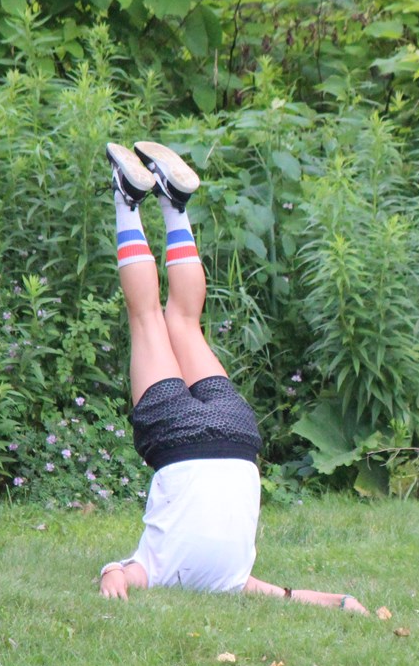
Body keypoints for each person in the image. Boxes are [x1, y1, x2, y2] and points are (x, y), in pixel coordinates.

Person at [97, 140, 367, 614]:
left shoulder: (234, 579)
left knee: (182, 322)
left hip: (239, 440)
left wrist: (342, 602)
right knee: (148, 319)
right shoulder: (165, 571)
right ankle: (128, 199)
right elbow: (123, 573)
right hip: (180, 440)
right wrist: (111, 573)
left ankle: (173, 204)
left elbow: (287, 595)